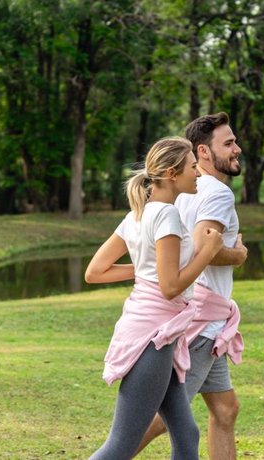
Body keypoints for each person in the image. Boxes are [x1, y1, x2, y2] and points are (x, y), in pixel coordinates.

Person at [84, 136, 224, 460]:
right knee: (119, 446)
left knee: (187, 434)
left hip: (158, 330)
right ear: (173, 173)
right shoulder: (167, 215)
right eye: (193, 167)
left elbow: (95, 271)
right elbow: (171, 286)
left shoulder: (138, 214)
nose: (199, 174)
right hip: (153, 336)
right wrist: (209, 252)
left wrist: (145, 270)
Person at [136, 112, 247, 460]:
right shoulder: (216, 194)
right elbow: (204, 248)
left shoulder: (180, 189)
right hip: (203, 322)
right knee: (165, 416)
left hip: (201, 318)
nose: (237, 149)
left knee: (226, 409)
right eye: (228, 144)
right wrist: (239, 255)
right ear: (203, 151)